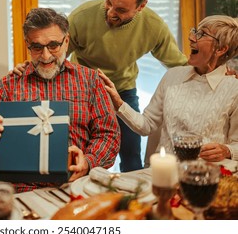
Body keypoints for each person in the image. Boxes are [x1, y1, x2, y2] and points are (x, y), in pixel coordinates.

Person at [12, 0, 188, 172]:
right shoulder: (82, 17)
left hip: (123, 92)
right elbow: (52, 54)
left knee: (131, 156)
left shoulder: (154, 27)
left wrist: (216, 72)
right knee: (80, 151)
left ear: (141, 6)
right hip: (83, 91)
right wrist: (27, 67)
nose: (111, 12)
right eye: (108, 2)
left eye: (121, 10)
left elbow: (179, 64)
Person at [0, 7, 121, 192]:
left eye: (53, 45)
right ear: (27, 44)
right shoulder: (7, 86)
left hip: (77, 186)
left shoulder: (91, 81)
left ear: (67, 41)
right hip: (20, 191)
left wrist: (87, 161)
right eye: (37, 47)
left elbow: (109, 135)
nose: (46, 56)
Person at [98, 15, 238, 162]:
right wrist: (119, 104)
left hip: (205, 175)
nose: (191, 37)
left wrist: (227, 150)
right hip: (164, 172)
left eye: (202, 34)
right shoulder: (172, 76)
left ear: (221, 49)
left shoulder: (233, 89)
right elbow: (146, 125)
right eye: (195, 31)